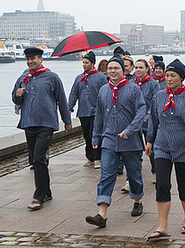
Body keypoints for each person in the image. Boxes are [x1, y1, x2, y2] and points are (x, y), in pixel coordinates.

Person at [145, 59, 185, 240]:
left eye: (173, 76)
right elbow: (153, 119)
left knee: (183, 184)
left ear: (181, 78)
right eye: (167, 75)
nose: (168, 79)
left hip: (184, 146)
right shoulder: (159, 96)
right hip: (162, 145)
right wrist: (149, 141)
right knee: (162, 183)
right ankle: (162, 226)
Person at [85, 55, 146, 228]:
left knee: (133, 174)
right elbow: (99, 115)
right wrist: (96, 137)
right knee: (106, 175)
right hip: (109, 140)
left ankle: (137, 200)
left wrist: (130, 130)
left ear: (123, 70)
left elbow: (141, 112)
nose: (112, 71)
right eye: (110, 68)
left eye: (116, 68)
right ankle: (101, 215)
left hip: (130, 141)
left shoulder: (133, 89)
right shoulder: (103, 90)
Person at [12, 47, 72, 211]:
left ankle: (38, 196)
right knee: (36, 159)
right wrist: (17, 94)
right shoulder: (24, 77)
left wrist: (67, 121)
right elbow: (15, 98)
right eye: (28, 59)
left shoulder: (52, 77)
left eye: (33, 59)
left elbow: (61, 99)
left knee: (39, 157)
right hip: (28, 123)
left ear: (40, 59)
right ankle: (47, 191)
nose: (30, 62)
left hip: (46, 123)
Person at [68, 51, 108, 169]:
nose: (84, 65)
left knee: (94, 134)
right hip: (83, 112)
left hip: (96, 112)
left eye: (86, 62)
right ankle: (90, 157)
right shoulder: (79, 78)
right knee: (86, 135)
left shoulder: (101, 78)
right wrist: (69, 107)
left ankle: (97, 158)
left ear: (93, 63)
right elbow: (73, 94)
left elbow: (106, 94)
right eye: (83, 62)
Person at [134, 58, 160, 183]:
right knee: (134, 150)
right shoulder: (131, 83)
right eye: (136, 67)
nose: (138, 70)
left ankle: (156, 172)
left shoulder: (153, 83)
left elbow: (155, 103)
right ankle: (132, 178)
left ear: (147, 69)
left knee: (151, 147)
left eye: (141, 67)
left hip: (148, 122)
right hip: (134, 123)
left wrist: (148, 117)